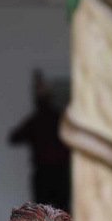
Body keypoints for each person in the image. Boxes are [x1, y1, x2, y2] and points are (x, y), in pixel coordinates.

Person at [8, 71, 71, 211]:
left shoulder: (40, 120)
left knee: (45, 214)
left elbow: (14, 137)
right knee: (58, 213)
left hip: (50, 174)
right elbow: (14, 137)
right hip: (55, 174)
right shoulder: (55, 119)